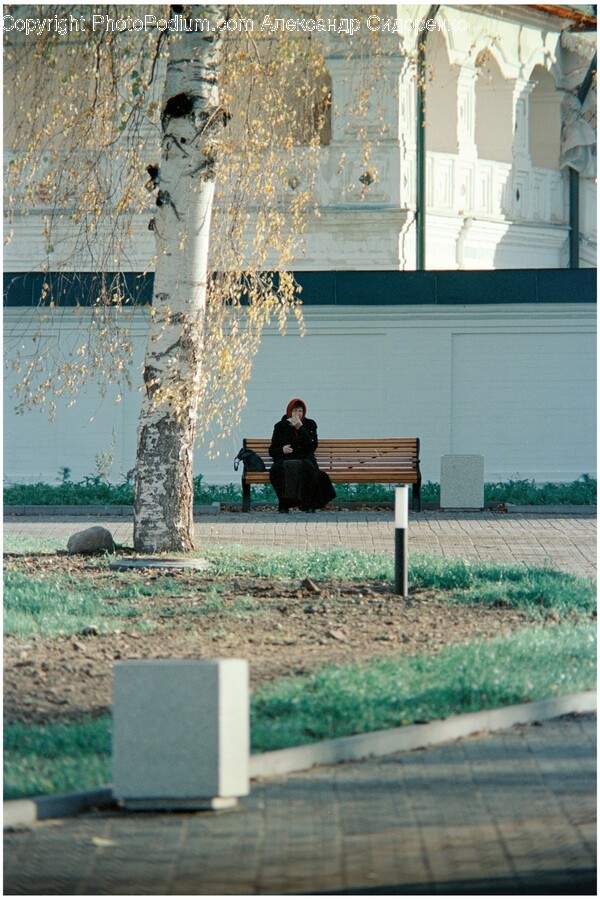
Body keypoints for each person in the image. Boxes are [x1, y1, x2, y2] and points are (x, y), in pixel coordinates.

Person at [269, 398, 336, 513]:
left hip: (305, 459)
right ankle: (285, 504)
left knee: (309, 469)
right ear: (289, 411)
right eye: (295, 411)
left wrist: (300, 428)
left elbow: (312, 445)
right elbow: (272, 450)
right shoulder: (280, 426)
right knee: (279, 470)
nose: (298, 414)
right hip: (286, 459)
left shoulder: (310, 424)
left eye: (300, 411)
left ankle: (308, 504)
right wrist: (282, 450)